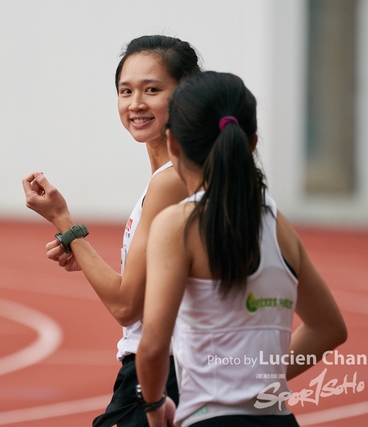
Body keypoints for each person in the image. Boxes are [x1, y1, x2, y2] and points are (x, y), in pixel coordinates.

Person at [136, 71, 348, 427]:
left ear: (173, 144)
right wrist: (257, 382)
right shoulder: (277, 224)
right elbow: (329, 328)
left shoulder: (177, 225)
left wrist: (155, 407)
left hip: (210, 418)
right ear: (252, 143)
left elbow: (154, 346)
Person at [21, 35, 201, 426]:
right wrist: (83, 258)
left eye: (152, 90)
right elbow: (151, 288)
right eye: (126, 91)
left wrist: (64, 223)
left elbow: (126, 305)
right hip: (180, 370)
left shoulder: (171, 181)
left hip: (162, 376)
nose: (136, 103)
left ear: (187, 95)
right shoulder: (177, 175)